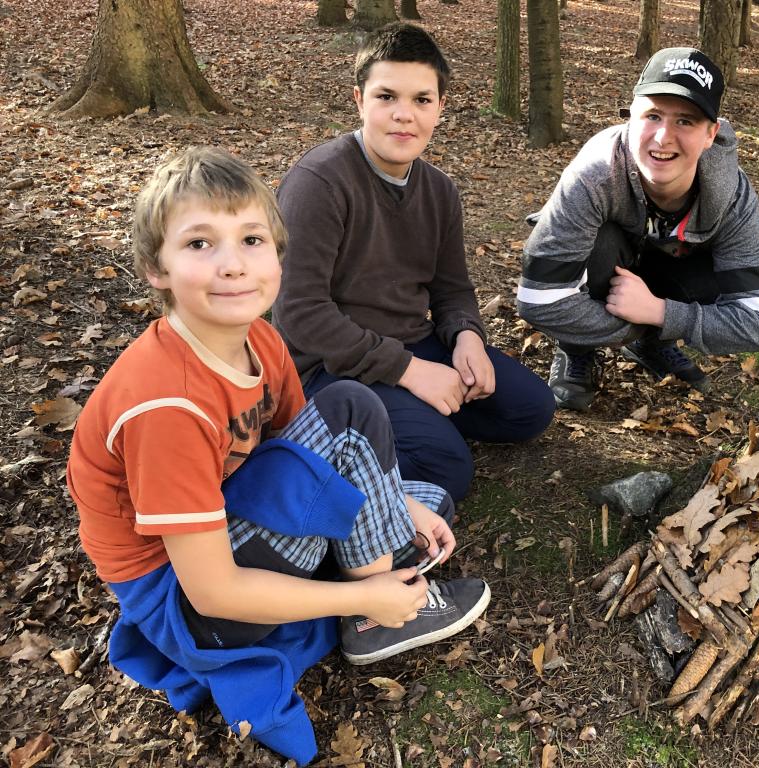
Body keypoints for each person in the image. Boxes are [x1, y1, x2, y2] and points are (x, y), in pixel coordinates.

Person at [66, 148, 491, 766]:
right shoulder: (167, 407)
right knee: (351, 408)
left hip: (233, 518)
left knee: (426, 502)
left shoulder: (261, 340)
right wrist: (361, 598)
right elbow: (214, 594)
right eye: (200, 243)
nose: (233, 264)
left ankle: (376, 566)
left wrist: (397, 500)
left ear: (278, 254)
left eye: (252, 239)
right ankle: (377, 616)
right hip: (190, 604)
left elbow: (306, 459)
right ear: (156, 267)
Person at [273, 23, 554, 501]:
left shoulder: (440, 191)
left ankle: (404, 422)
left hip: (411, 342)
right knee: (445, 467)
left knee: (530, 409)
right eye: (386, 97)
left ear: (440, 108)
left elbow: (451, 289)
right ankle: (322, 452)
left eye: (422, 100)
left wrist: (466, 336)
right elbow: (299, 312)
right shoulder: (318, 182)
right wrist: (409, 372)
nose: (404, 115)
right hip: (328, 368)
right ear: (359, 100)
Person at [517, 47, 759, 411]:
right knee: (599, 243)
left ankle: (652, 344)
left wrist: (658, 313)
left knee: (718, 272)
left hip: (661, 282)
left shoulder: (732, 194)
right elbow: (538, 301)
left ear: (711, 134)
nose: (662, 138)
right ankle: (577, 347)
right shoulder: (593, 175)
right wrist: (638, 319)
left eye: (685, 121)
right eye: (653, 115)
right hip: (607, 270)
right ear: (630, 118)